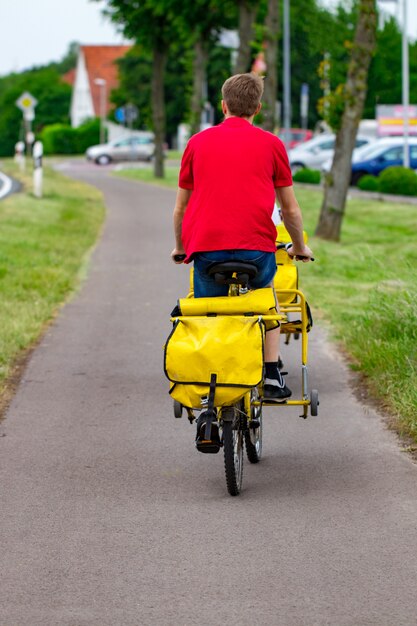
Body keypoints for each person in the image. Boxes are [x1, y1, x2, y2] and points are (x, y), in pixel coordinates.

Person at [171, 73, 313, 402]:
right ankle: (272, 374)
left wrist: (181, 247)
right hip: (256, 249)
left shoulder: (196, 143)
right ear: (258, 108)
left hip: (206, 249)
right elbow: (290, 210)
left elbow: (180, 209)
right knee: (267, 301)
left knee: (209, 312)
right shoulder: (272, 145)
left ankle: (209, 391)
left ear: (223, 106)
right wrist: (300, 247)